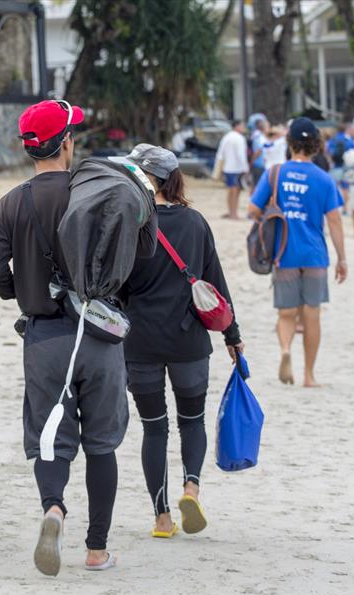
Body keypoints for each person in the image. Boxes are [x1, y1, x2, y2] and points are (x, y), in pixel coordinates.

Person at [0, 100, 156, 576]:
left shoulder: (11, 203)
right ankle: (97, 550)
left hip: (42, 337)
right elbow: (141, 256)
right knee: (102, 444)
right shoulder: (100, 192)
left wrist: (26, 292)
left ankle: (54, 509)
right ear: (66, 143)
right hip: (99, 334)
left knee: (49, 439)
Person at [119, 144, 244, 538]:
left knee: (154, 429)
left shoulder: (132, 223)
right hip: (189, 340)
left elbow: (114, 286)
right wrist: (232, 335)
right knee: (193, 422)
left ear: (142, 178)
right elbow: (215, 283)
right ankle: (191, 487)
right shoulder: (195, 223)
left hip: (140, 342)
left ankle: (161, 517)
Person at [249, 117, 348, 387]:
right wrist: (342, 258)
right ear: (316, 145)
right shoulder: (325, 179)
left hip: (284, 253)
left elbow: (253, 210)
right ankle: (309, 375)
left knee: (286, 313)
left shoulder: (275, 173)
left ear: (289, 143)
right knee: (312, 313)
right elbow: (335, 221)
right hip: (315, 254)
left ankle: (284, 350)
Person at [215, 120, 249, 219]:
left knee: (231, 190)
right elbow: (241, 154)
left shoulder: (227, 137)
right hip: (236, 168)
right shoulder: (239, 138)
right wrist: (245, 167)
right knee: (235, 190)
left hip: (228, 167)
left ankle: (231, 211)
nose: (243, 127)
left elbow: (220, 153)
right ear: (237, 126)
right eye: (242, 125)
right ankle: (233, 213)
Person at [327, 124, 354, 214]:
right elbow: (353, 153)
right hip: (346, 167)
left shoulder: (333, 139)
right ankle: (345, 209)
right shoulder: (349, 140)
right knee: (345, 188)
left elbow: (329, 151)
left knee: (334, 188)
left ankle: (334, 208)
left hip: (336, 166)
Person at [250, 117, 269, 186]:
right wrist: (252, 161)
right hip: (259, 165)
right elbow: (258, 151)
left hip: (260, 164)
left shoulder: (260, 136)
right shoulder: (260, 137)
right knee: (257, 185)